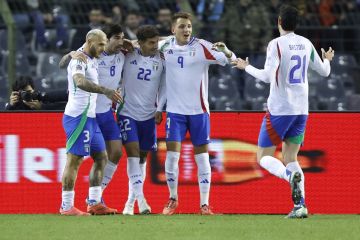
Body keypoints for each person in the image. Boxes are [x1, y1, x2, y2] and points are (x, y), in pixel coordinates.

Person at [231, 5, 334, 218]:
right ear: (297, 23)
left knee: (263, 157)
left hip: (280, 109)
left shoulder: (276, 44)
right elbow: (324, 72)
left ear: (279, 21)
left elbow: (267, 77)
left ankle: (289, 178)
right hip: (301, 110)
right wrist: (327, 59)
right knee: (291, 157)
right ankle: (300, 206)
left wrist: (245, 67)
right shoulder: (306, 43)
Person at [159, 12, 236, 215]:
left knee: (202, 159)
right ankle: (172, 199)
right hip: (175, 113)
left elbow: (230, 60)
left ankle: (204, 204)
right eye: (182, 26)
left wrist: (227, 52)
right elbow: (142, 45)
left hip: (199, 112)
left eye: (189, 26)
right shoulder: (165, 46)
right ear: (173, 29)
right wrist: (159, 108)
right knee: (172, 158)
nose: (187, 30)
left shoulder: (202, 46)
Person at [59, 24, 129, 214]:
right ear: (89, 42)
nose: (102, 49)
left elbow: (61, 62)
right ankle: (66, 206)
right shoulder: (80, 60)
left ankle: (95, 202)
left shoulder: (91, 57)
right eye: (99, 45)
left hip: (91, 116)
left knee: (101, 157)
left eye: (104, 45)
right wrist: (105, 90)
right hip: (78, 116)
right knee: (75, 160)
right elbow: (80, 82)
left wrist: (67, 54)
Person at [118, 25, 166, 215]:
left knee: (143, 158)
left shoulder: (162, 60)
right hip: (127, 112)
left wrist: (160, 108)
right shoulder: (128, 54)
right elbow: (107, 43)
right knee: (133, 154)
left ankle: (129, 204)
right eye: (151, 43)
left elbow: (164, 86)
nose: (155, 45)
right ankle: (142, 200)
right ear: (141, 43)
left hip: (148, 115)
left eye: (156, 42)